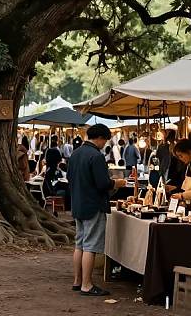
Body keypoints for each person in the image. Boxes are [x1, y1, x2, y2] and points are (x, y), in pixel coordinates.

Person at [67, 124, 126, 296]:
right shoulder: (96, 156)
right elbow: (103, 184)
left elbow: (70, 178)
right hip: (94, 205)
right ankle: (87, 284)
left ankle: (77, 281)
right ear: (100, 138)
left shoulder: (76, 153)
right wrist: (117, 183)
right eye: (105, 140)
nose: (104, 144)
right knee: (90, 246)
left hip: (78, 203)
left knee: (79, 244)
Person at [171, 139, 191, 205]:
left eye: (181, 156)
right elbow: (188, 186)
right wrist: (173, 188)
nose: (180, 159)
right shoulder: (189, 165)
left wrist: (182, 196)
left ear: (189, 152)